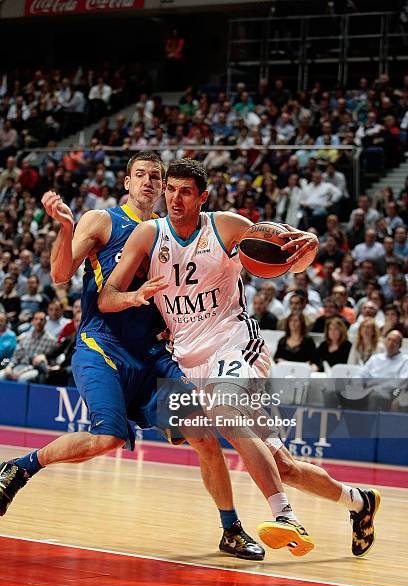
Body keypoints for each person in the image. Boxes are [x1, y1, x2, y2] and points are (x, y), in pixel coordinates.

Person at [100, 158, 380, 558]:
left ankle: (286, 517)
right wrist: (132, 297)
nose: (175, 199)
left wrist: (310, 247)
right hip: (186, 359)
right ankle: (359, 502)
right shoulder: (149, 234)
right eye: (171, 189)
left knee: (225, 409)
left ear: (203, 197)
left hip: (234, 344)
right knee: (283, 465)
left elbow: (285, 252)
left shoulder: (225, 225)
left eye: (185, 192)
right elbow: (107, 297)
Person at [0, 152, 265, 562]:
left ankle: (231, 529)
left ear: (164, 188)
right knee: (107, 435)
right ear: (127, 182)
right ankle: (22, 466)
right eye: (139, 174)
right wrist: (67, 228)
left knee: (204, 438)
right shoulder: (102, 220)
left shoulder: (169, 232)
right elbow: (60, 273)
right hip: (102, 344)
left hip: (152, 355)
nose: (147, 182)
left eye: (155, 177)